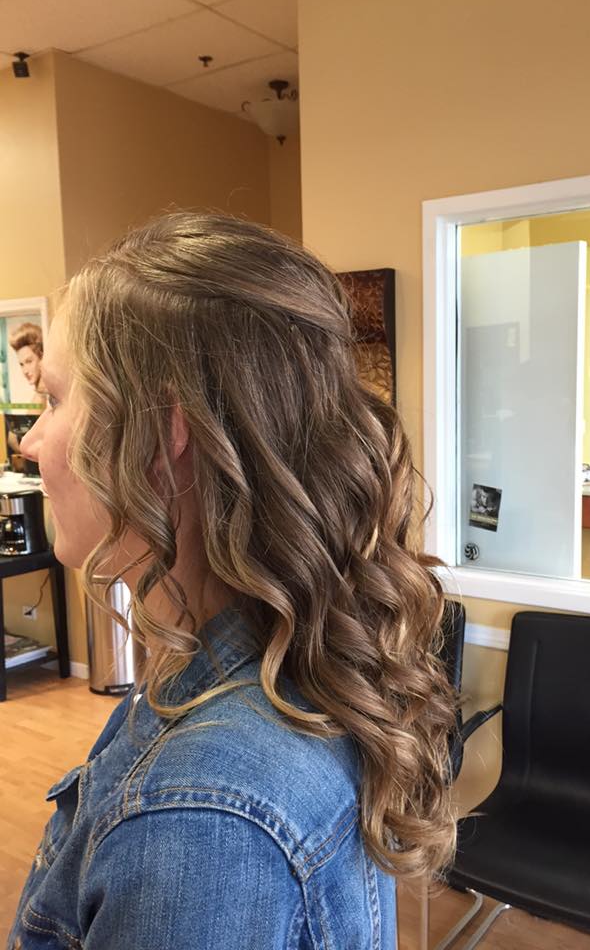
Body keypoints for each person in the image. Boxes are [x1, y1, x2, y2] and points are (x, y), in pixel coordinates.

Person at [11, 212, 457, 949]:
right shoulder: (271, 660)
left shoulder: (200, 819)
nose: (31, 441)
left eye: (56, 400)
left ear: (161, 434)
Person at [8, 321, 46, 405]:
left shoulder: (43, 396)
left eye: (29, 361)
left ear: (41, 357)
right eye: (21, 364)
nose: (25, 371)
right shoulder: (40, 393)